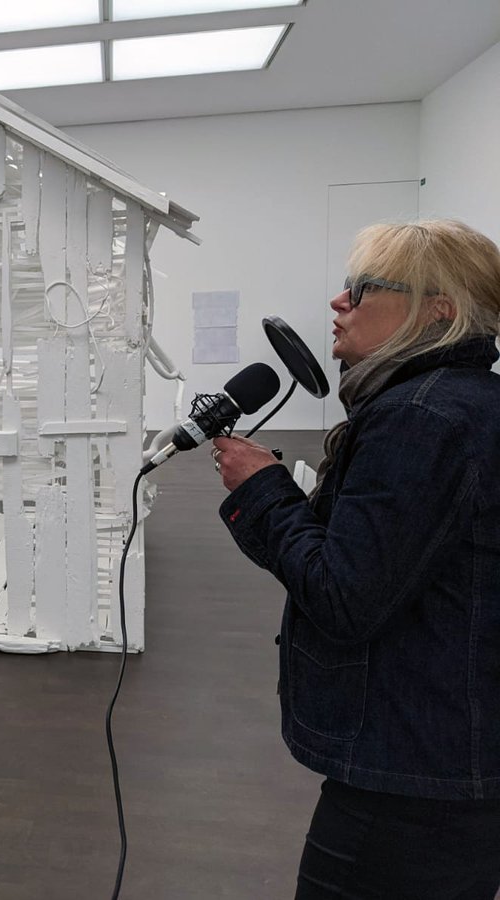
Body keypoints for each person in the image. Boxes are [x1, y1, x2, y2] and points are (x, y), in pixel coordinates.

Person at [211, 218, 500, 899]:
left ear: (441, 310)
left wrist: (262, 491)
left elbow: (345, 597)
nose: (339, 303)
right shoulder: (471, 404)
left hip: (413, 777)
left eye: (362, 288)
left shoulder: (418, 420)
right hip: (455, 753)